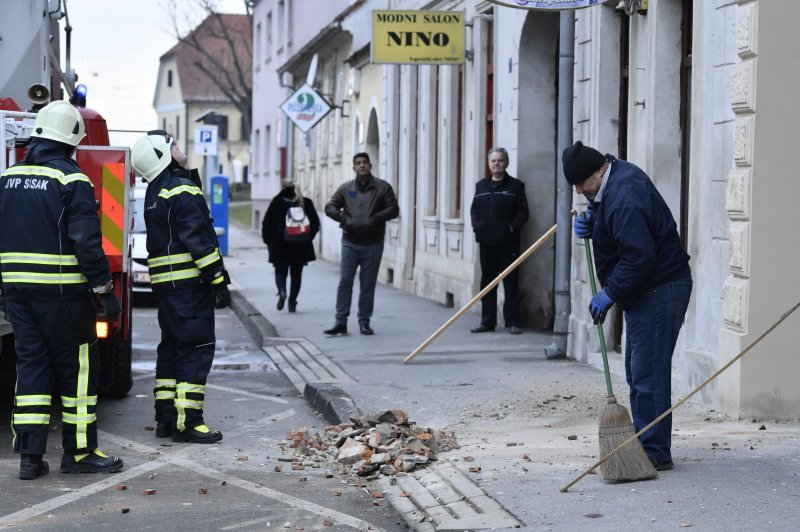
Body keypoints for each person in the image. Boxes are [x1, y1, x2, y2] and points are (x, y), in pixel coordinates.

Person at [0, 100, 124, 479]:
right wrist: (105, 292)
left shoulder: (7, 178)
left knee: (32, 368)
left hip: (18, 295)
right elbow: (87, 244)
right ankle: (81, 454)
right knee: (79, 373)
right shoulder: (72, 180)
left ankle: (30, 458)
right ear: (72, 141)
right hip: (64, 296)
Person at [562, 140, 692, 472]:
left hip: (659, 289)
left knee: (647, 371)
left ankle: (653, 451)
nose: (579, 191)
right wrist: (595, 219)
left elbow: (638, 259)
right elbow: (623, 234)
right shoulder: (614, 184)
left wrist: (609, 294)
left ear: (597, 171)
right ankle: (647, 441)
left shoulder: (623, 197)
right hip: (648, 290)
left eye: (581, 184)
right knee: (638, 370)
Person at [131, 130, 231, 444]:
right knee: (196, 351)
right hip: (189, 287)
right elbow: (199, 240)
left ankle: (166, 419)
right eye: (172, 145)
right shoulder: (181, 189)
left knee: (171, 351)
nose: (179, 146)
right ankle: (190, 423)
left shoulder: (155, 192)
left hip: (168, 288)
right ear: (162, 156)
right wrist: (218, 280)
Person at [323, 152, 399, 336]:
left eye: (365, 162)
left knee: (367, 284)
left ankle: (364, 322)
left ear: (370, 166)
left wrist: (375, 218)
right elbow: (330, 207)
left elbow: (394, 209)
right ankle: (340, 322)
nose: (362, 165)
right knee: (345, 281)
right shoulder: (346, 188)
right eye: (358, 163)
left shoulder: (382, 188)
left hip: (373, 243)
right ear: (354, 167)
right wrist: (344, 218)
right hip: (350, 242)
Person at [469, 147, 529, 335]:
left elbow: (523, 213)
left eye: (500, 160)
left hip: (508, 243)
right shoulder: (480, 186)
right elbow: (474, 211)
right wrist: (477, 227)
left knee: (510, 282)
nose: (497, 164)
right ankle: (487, 322)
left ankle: (512, 322)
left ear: (506, 163)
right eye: (493, 161)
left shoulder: (515, 186)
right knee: (487, 283)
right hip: (486, 243)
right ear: (489, 164)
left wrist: (510, 229)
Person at [261, 178, 321, 312]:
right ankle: (292, 302)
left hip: (280, 246)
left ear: (282, 187)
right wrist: (307, 238)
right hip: (301, 245)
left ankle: (282, 291)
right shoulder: (305, 202)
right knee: (297, 274)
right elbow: (315, 224)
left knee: (280, 270)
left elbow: (267, 223)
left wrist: (268, 241)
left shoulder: (277, 202)